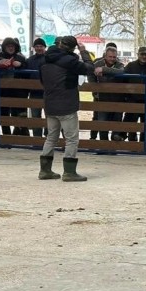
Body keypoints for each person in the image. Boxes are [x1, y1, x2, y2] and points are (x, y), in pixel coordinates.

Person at [38, 36, 95, 182]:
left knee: (51, 137)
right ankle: (69, 172)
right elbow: (89, 68)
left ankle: (45, 170)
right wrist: (84, 53)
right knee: (71, 139)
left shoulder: (44, 59)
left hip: (50, 103)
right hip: (67, 104)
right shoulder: (69, 61)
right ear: (72, 48)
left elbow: (42, 81)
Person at [0, 37, 27, 136]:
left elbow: (27, 68)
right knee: (4, 114)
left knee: (20, 115)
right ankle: (5, 136)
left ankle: (18, 136)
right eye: (8, 46)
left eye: (12, 46)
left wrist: (20, 65)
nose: (10, 48)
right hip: (3, 91)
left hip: (17, 92)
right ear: (4, 47)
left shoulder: (20, 57)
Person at [88, 45, 125, 149]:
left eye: (114, 57)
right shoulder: (97, 63)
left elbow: (121, 72)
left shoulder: (119, 64)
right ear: (105, 56)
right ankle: (103, 145)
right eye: (110, 57)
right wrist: (94, 88)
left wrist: (103, 69)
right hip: (102, 98)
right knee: (102, 121)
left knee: (117, 121)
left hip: (117, 98)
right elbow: (90, 74)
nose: (112, 59)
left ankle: (114, 145)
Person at [122, 46, 146, 143]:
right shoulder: (130, 66)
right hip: (133, 99)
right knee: (131, 121)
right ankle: (132, 142)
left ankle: (143, 143)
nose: (144, 56)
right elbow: (124, 80)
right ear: (138, 55)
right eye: (142, 54)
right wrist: (127, 95)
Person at [25, 38, 48, 137]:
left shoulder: (49, 59)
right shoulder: (29, 60)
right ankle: (37, 139)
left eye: (41, 46)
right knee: (35, 117)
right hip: (34, 92)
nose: (39, 48)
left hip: (48, 92)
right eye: (37, 46)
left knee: (50, 116)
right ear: (34, 48)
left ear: (44, 47)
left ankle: (49, 138)